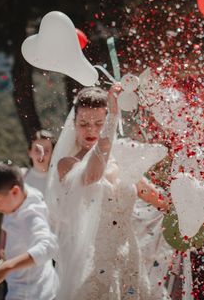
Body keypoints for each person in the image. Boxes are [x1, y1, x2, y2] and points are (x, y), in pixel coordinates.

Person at [46, 85, 168, 299]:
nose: (91, 130)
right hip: (90, 260)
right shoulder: (67, 164)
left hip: (128, 256)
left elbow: (154, 197)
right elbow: (94, 172)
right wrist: (112, 116)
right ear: (74, 124)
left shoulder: (121, 159)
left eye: (98, 123)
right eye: (83, 123)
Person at [0, 162, 58, 299]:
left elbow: (48, 247)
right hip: (18, 286)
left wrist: (7, 267)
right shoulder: (18, 196)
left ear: (15, 191)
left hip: (32, 293)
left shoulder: (32, 215)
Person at [0, 129, 56, 261]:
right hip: (21, 245)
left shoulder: (58, 180)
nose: (42, 154)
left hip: (50, 246)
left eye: (47, 150)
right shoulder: (21, 178)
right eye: (37, 149)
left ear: (53, 152)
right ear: (29, 152)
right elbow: (8, 212)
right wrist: (3, 243)